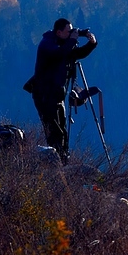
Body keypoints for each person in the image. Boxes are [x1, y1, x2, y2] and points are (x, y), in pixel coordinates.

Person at [26, 18, 97, 165]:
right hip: (45, 95)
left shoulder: (64, 44)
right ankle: (55, 164)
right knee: (54, 132)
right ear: (58, 32)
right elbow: (59, 54)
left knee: (63, 131)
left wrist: (91, 44)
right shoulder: (47, 44)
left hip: (57, 95)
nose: (71, 34)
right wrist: (72, 40)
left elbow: (76, 54)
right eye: (68, 31)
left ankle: (63, 160)